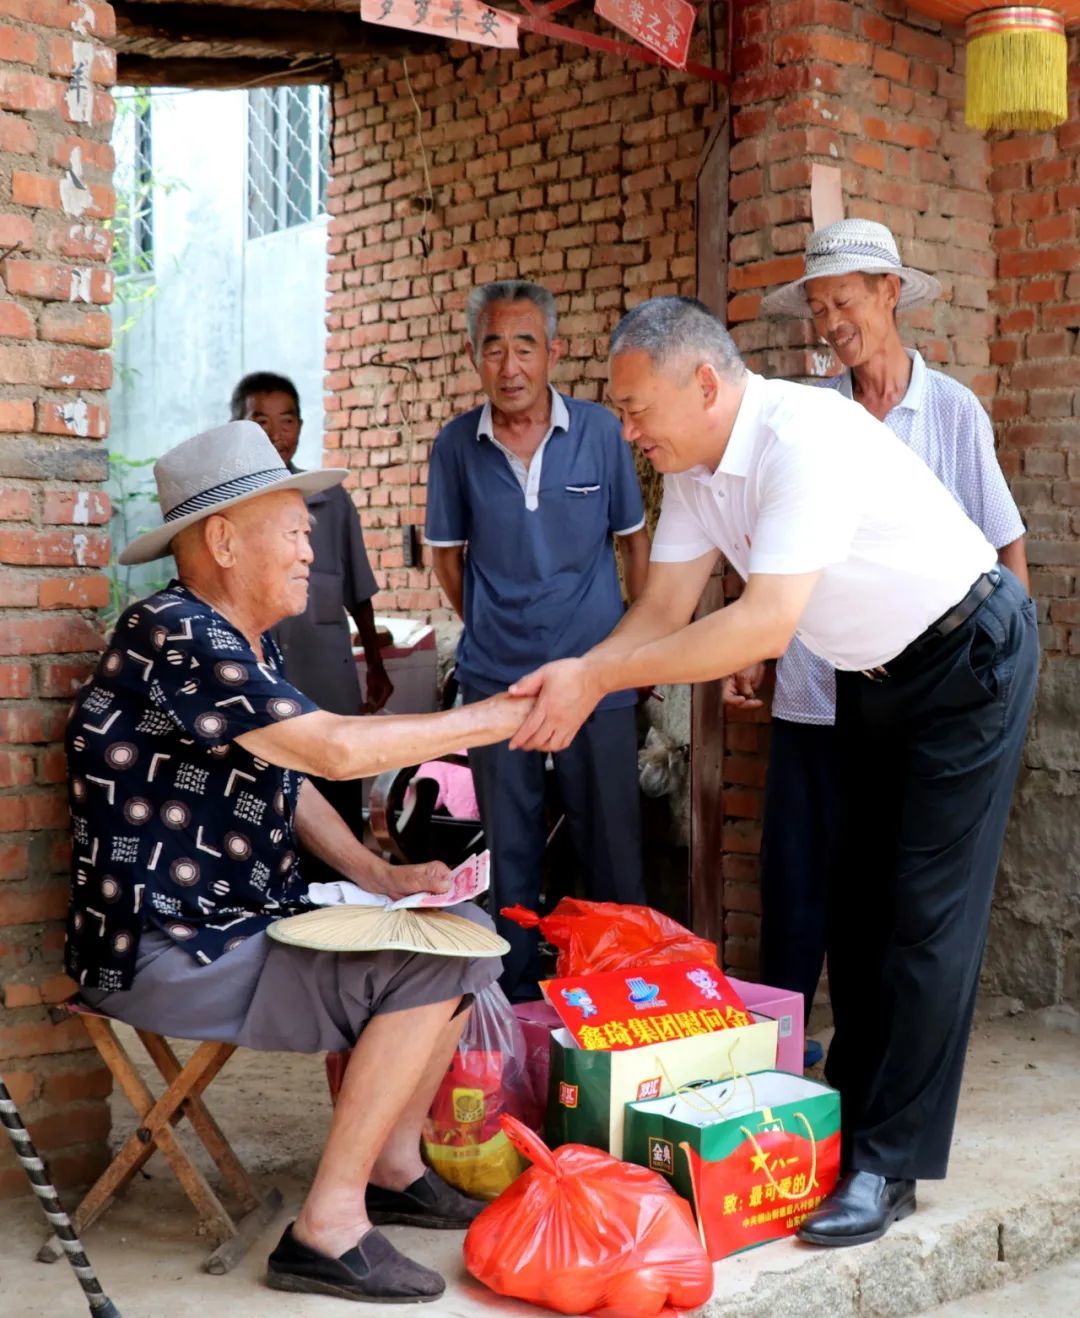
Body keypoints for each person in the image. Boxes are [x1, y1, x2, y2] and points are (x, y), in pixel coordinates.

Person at [508, 297, 1038, 1246]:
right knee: (859, 907)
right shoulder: (701, 471)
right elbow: (663, 607)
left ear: (705, 384)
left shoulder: (806, 435)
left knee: (925, 915)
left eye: (636, 411)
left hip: (970, 659)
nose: (626, 433)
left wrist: (600, 676)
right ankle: (852, 1122)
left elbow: (760, 626)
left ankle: (888, 1163)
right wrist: (584, 680)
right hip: (874, 676)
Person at [67, 421, 532, 1302]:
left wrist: (380, 874)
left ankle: (394, 1166)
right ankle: (327, 1228)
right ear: (224, 540)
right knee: (424, 966)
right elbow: (327, 750)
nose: (312, 546)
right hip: (169, 945)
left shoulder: (244, 639)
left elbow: (292, 774)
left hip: (242, 924)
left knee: (461, 929)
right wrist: (499, 715)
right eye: (294, 528)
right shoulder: (174, 631)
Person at [718, 220, 1029, 1042]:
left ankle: (868, 1076)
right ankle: (772, 1072)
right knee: (795, 895)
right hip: (816, 699)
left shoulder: (952, 413)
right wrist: (756, 650)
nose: (828, 324)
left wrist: (1004, 684)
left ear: (891, 293)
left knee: (890, 899)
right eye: (817, 308)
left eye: (843, 302)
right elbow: (776, 559)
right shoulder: (811, 414)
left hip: (915, 709)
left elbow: (1003, 549)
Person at [424, 280, 652, 1002]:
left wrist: (629, 655)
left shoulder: (601, 435)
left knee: (612, 853)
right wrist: (498, 627)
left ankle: (621, 999)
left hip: (595, 683)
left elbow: (633, 548)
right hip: (498, 686)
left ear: (554, 351)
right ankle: (518, 1007)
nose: (510, 364)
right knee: (511, 857)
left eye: (526, 345)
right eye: (494, 346)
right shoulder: (456, 447)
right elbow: (448, 561)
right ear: (474, 356)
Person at [230, 372, 392, 853]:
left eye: (287, 420)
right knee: (262, 810)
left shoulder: (329, 500)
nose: (277, 433)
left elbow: (356, 590)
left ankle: (336, 910)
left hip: (326, 678)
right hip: (255, 684)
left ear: (301, 426)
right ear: (237, 425)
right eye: (260, 420)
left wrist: (376, 668)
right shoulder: (225, 505)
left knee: (336, 795)